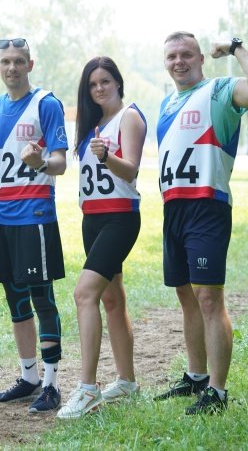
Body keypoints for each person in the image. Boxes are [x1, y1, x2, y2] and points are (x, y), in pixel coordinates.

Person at [155, 32, 248, 414]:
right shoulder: (166, 104)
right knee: (186, 296)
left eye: (186, 54)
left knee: (209, 298)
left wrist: (236, 48)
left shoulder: (218, 92)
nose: (179, 61)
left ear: (201, 58)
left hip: (207, 207)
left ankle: (218, 393)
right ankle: (196, 377)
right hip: (173, 209)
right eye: (172, 56)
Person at [56, 57, 147, 420]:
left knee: (84, 294)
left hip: (119, 218)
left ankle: (87, 389)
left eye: (105, 81)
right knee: (112, 298)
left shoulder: (129, 117)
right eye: (92, 84)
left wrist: (107, 156)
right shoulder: (92, 124)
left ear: (118, 82)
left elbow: (131, 169)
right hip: (91, 219)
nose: (99, 89)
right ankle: (126, 381)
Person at [0, 38, 68, 413]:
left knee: (42, 299)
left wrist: (41, 164)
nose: (12, 67)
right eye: (5, 61)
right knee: (15, 299)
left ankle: (51, 385)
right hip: (2, 215)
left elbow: (60, 162)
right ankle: (28, 377)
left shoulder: (46, 104)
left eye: (19, 61)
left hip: (35, 216)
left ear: (30, 64)